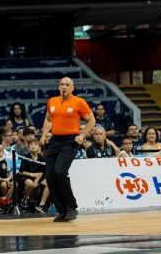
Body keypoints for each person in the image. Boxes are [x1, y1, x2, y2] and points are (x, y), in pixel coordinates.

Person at [40, 77, 95, 223]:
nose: (64, 87)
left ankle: (71, 207)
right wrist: (44, 135)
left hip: (70, 141)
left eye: (67, 85)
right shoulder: (52, 101)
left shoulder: (79, 102)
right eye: (62, 84)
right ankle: (62, 210)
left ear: (72, 88)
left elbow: (91, 120)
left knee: (60, 172)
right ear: (59, 87)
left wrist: (82, 135)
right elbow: (48, 119)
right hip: (55, 140)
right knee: (50, 176)